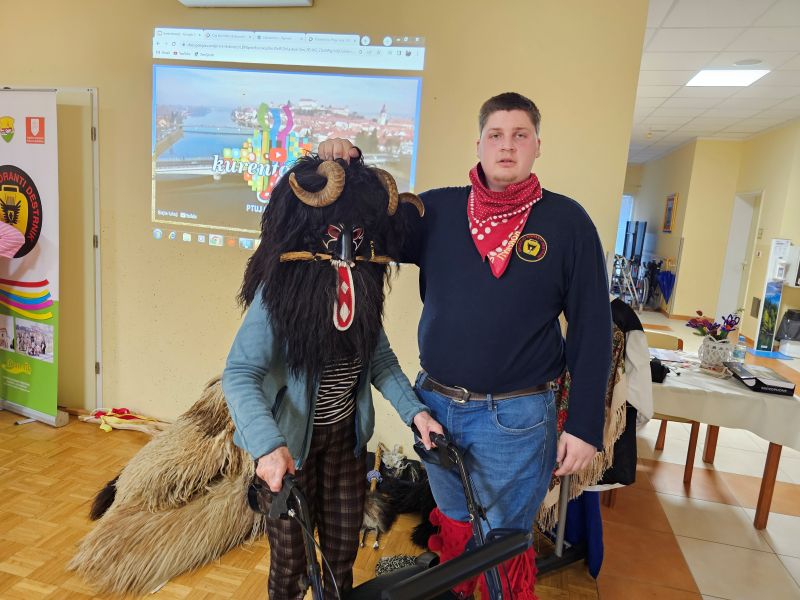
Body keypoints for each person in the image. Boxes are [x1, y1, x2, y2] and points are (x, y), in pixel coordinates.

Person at [318, 92, 612, 599]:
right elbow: (371, 228)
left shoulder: (568, 223)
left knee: (502, 544)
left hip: (517, 420)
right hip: (436, 408)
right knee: (455, 522)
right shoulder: (437, 209)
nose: (507, 145)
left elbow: (592, 328)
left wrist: (584, 426)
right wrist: (348, 164)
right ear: (479, 144)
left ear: (537, 145)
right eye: (495, 135)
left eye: (520, 135)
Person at [222, 156, 443, 599]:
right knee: (291, 564)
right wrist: (267, 446)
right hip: (291, 450)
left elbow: (382, 363)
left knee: (341, 558)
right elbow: (240, 373)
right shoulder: (278, 295)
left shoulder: (360, 292)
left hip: (346, 445)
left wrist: (417, 414)